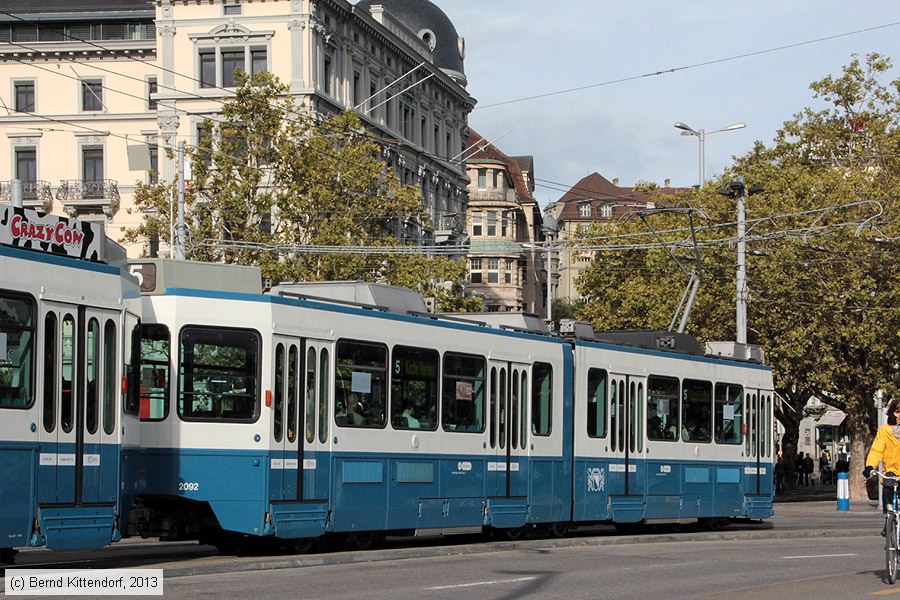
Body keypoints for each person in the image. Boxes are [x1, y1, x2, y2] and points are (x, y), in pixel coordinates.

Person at [864, 398, 900, 517]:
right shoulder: (885, 430)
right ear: (895, 413)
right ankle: (888, 517)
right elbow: (876, 450)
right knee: (888, 484)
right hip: (892, 470)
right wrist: (870, 466)